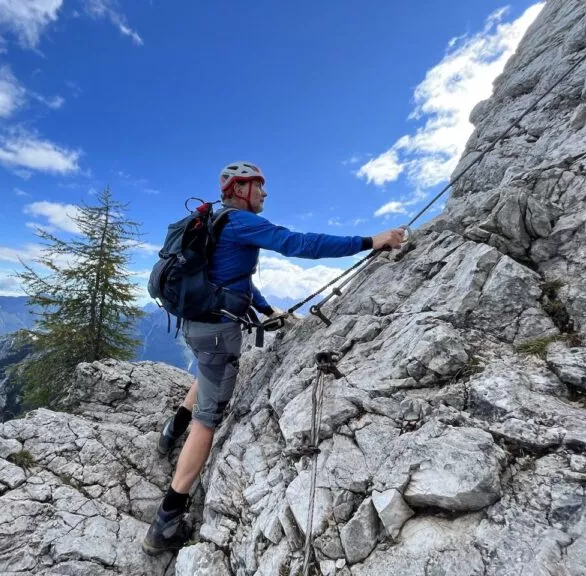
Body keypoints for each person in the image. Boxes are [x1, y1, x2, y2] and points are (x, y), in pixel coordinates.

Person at [142, 161, 406, 555]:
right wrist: (371, 241)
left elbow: (233, 279)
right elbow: (301, 244)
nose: (265, 193)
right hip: (216, 330)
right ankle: (165, 521)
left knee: (207, 372)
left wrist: (267, 312)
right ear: (240, 189)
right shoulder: (241, 223)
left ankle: (170, 433)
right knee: (208, 420)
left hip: (195, 323)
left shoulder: (213, 221)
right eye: (259, 186)